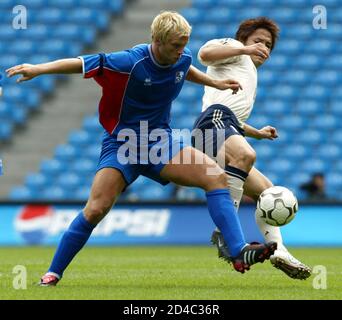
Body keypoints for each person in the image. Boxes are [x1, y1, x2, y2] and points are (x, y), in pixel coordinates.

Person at [7, 11, 277, 286]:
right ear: (157, 41)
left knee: (215, 177)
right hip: (123, 144)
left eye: (185, 44)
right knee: (96, 210)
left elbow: (185, 68)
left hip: (160, 142)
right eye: (175, 45)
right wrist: (39, 69)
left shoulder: (181, 57)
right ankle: (53, 273)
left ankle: (238, 250)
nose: (182, 51)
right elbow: (80, 63)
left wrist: (215, 82)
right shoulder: (129, 61)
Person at [192, 17, 311, 279]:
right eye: (258, 41)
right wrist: (244, 49)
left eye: (268, 45)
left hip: (222, 126)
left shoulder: (249, 73)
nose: (264, 48)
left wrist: (256, 132)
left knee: (268, 192)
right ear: (243, 39)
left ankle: (279, 251)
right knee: (246, 155)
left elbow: (232, 117)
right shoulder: (234, 48)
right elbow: (204, 54)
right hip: (211, 123)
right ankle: (227, 234)